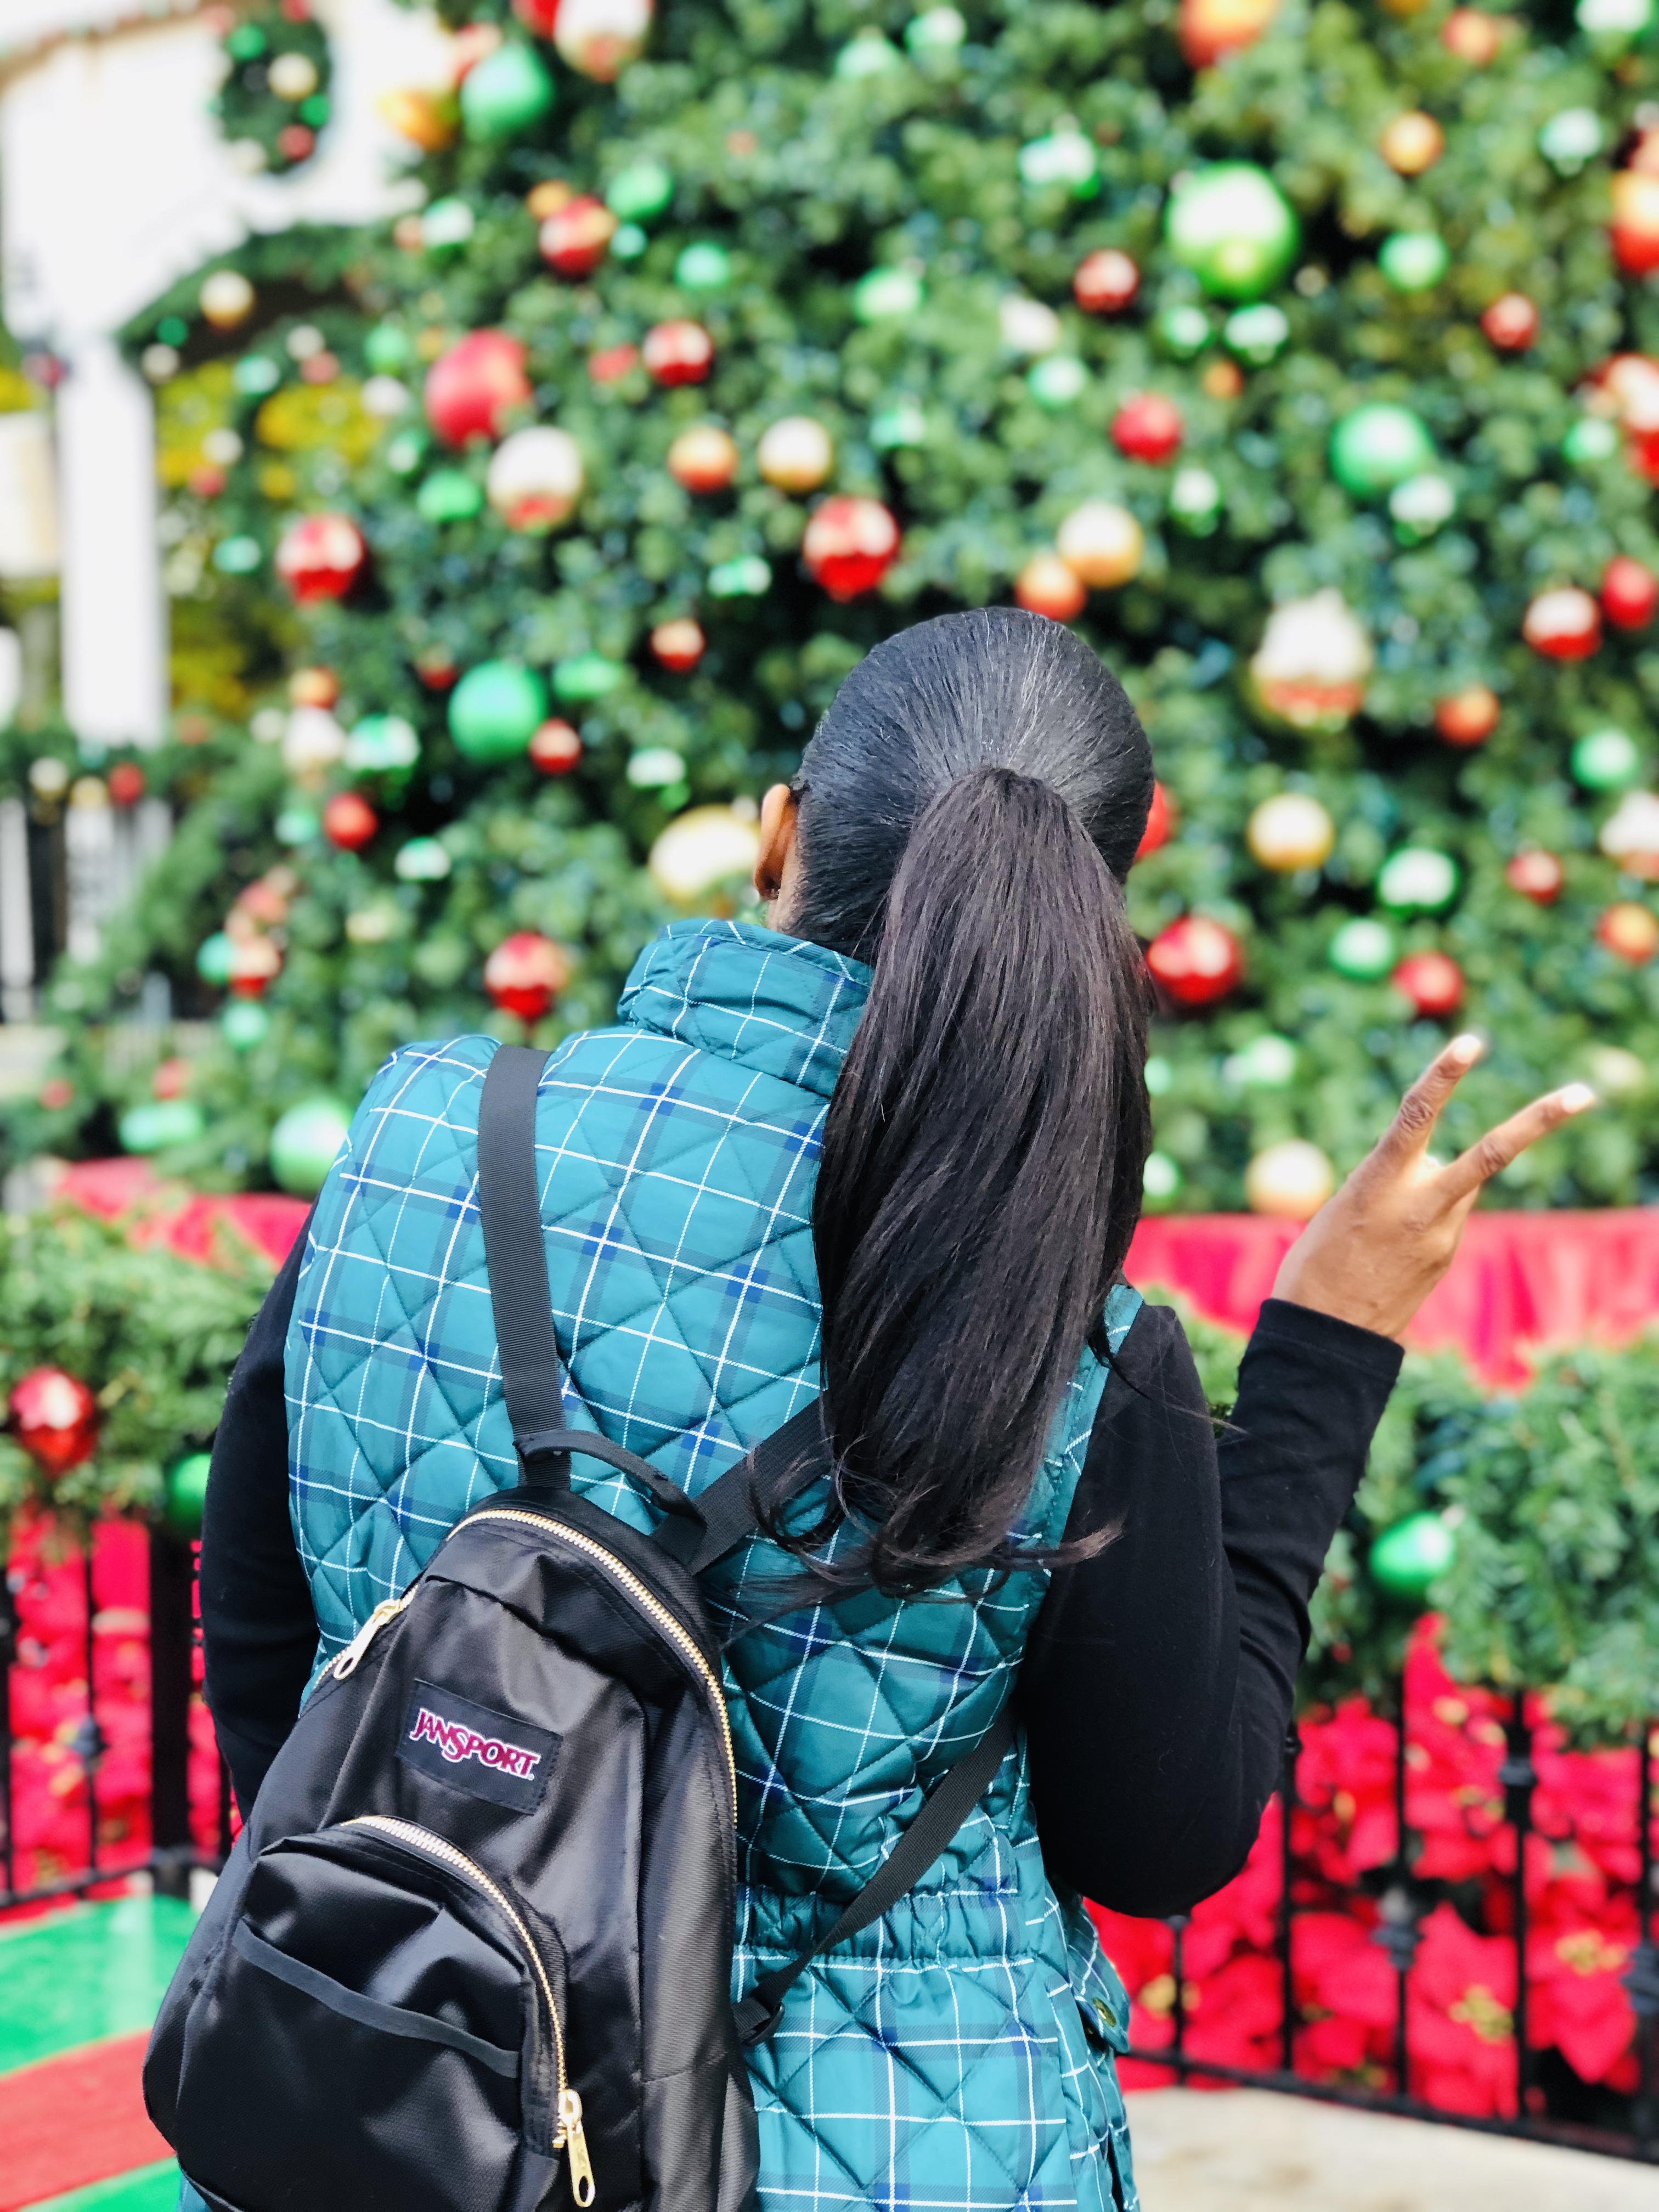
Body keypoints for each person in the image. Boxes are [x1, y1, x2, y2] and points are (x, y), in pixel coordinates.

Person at [199, 608, 1593, 2212]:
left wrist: (436, 1923)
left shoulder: (425, 1136)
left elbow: (264, 1627)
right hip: (900, 2149)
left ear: (776, 836)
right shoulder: (1071, 1341)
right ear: (1091, 919)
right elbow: (1167, 1835)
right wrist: (1331, 1345)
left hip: (410, 2109)